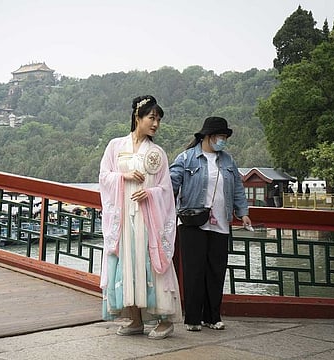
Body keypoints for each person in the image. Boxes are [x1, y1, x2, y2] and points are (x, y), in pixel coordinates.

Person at [99, 95, 182, 340]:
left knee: (150, 262)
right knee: (127, 264)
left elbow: (166, 189)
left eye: (158, 120)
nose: (156, 124)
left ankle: (165, 320)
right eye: (151, 118)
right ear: (138, 117)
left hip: (148, 219)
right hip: (123, 218)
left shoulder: (156, 153)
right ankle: (135, 319)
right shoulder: (116, 146)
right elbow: (104, 176)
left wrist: (151, 193)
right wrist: (122, 177)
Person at [170, 116, 251, 332]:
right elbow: (171, 183)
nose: (223, 141)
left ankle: (213, 316)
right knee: (194, 270)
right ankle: (193, 318)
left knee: (216, 270)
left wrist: (242, 212)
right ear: (207, 136)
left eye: (225, 137)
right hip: (192, 223)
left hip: (221, 223)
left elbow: (237, 189)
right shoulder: (187, 158)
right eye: (220, 137)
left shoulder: (228, 161)